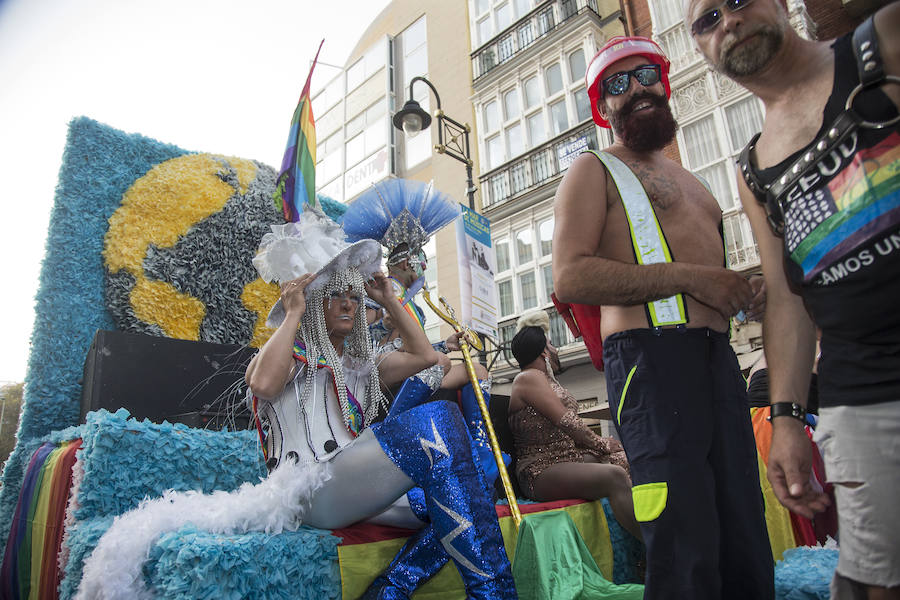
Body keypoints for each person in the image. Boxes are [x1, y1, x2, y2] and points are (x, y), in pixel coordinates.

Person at [76, 205, 516, 600]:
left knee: (466, 489)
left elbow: (425, 358)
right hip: (312, 493)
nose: (348, 303)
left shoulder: (364, 366)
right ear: (310, 304)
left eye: (353, 295)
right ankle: (494, 595)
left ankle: (390, 589)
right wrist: (290, 315)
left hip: (357, 488)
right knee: (436, 420)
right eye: (335, 295)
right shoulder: (289, 358)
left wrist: (387, 298)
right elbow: (265, 385)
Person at [684, 0, 900, 596]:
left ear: (780, 5)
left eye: (738, 1)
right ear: (701, 50)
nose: (727, 20)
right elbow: (785, 295)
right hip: (860, 395)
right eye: (706, 21)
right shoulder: (753, 168)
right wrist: (784, 422)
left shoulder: (878, 47)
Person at [552, 36, 773, 599]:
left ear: (664, 82)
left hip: (717, 361)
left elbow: (717, 286)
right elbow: (570, 276)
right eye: (616, 86)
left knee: (744, 528)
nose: (635, 90)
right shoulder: (592, 169)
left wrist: (751, 293)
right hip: (648, 364)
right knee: (682, 539)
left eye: (644, 74)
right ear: (604, 109)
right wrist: (691, 278)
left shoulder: (697, 185)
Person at [507, 311, 641, 540]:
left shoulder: (546, 380)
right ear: (543, 352)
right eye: (551, 344)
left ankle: (644, 551)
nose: (555, 349)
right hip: (541, 470)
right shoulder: (528, 378)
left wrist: (608, 448)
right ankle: (658, 551)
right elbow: (568, 422)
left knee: (628, 459)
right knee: (615, 475)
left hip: (568, 458)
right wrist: (602, 444)